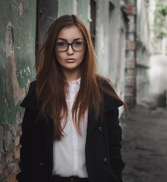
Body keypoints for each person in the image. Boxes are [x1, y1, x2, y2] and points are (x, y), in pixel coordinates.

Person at [16, 14, 126, 182]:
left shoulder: (102, 89)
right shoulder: (39, 90)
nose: (70, 51)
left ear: (86, 47)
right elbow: (28, 146)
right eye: (61, 44)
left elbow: (113, 147)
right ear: (53, 47)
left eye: (77, 43)